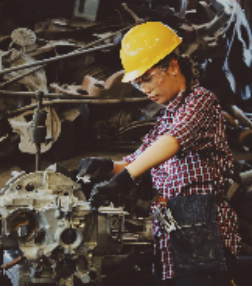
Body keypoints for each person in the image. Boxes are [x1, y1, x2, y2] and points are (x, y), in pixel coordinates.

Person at [77, 22, 241, 286]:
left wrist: (122, 180)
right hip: (170, 225)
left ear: (173, 66)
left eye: (148, 78)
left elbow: (173, 141)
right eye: (138, 83)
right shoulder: (166, 118)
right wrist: (107, 166)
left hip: (201, 226)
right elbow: (137, 160)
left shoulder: (201, 101)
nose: (144, 89)